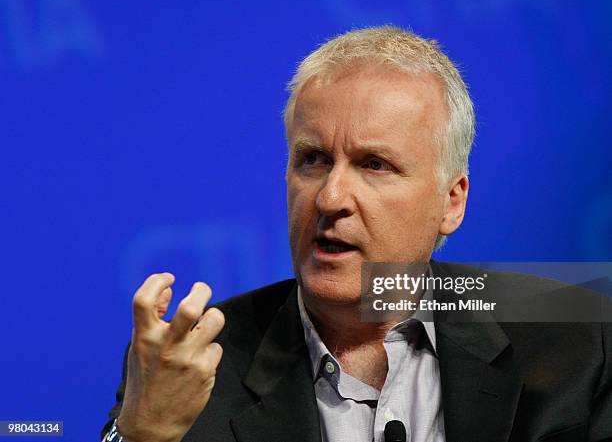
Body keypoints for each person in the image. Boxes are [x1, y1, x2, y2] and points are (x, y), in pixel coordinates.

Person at [102, 26, 612, 442]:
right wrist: (142, 435)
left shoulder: (578, 337)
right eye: (313, 160)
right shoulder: (193, 366)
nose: (329, 199)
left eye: (374, 164)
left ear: (450, 202)